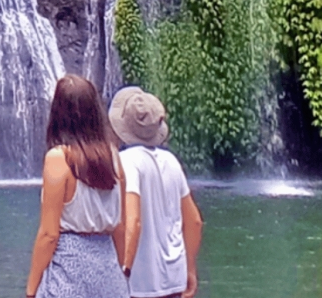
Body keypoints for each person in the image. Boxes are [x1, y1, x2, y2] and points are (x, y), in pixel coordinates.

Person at [24, 74, 130, 298]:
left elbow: (49, 234)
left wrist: (31, 289)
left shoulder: (58, 158)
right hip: (108, 268)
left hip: (69, 272)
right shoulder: (113, 156)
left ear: (58, 113)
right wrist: (120, 272)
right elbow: (120, 226)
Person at [108, 87, 204, 298]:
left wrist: (123, 273)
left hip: (141, 283)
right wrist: (189, 269)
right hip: (174, 279)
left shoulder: (127, 162)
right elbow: (195, 221)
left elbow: (132, 222)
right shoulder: (171, 161)